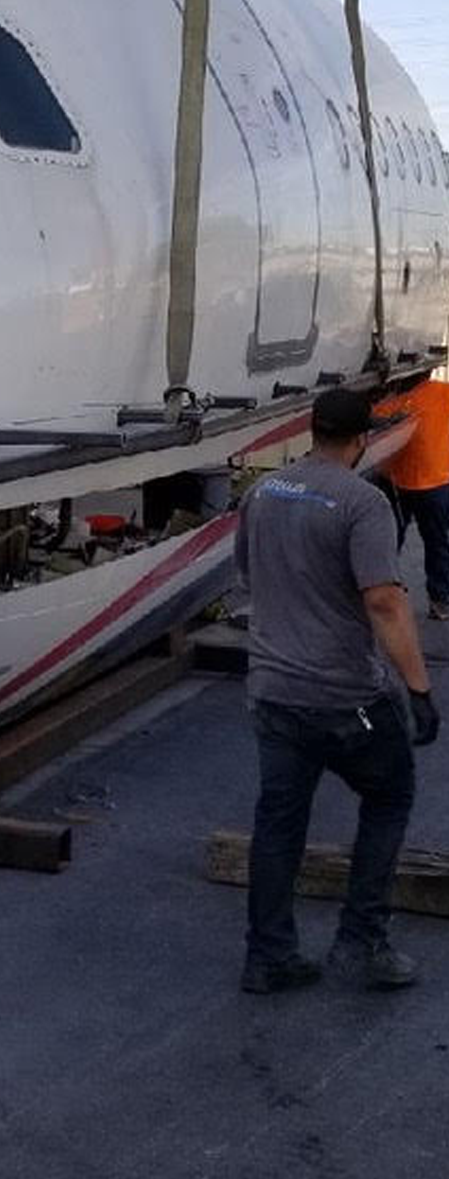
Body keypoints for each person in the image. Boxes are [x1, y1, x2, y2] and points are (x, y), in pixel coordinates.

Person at [236, 387, 440, 994]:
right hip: (344, 696)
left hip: (273, 692)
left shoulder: (262, 493)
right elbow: (383, 600)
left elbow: (250, 575)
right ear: (362, 440)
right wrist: (419, 689)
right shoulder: (363, 502)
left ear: (310, 430)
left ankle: (268, 956)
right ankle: (362, 941)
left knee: (278, 823)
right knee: (390, 794)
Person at [385, 378, 449, 619]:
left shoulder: (391, 400)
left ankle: (439, 597)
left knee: (395, 540)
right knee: (435, 543)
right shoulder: (441, 393)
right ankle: (439, 599)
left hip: (422, 483)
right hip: (420, 483)